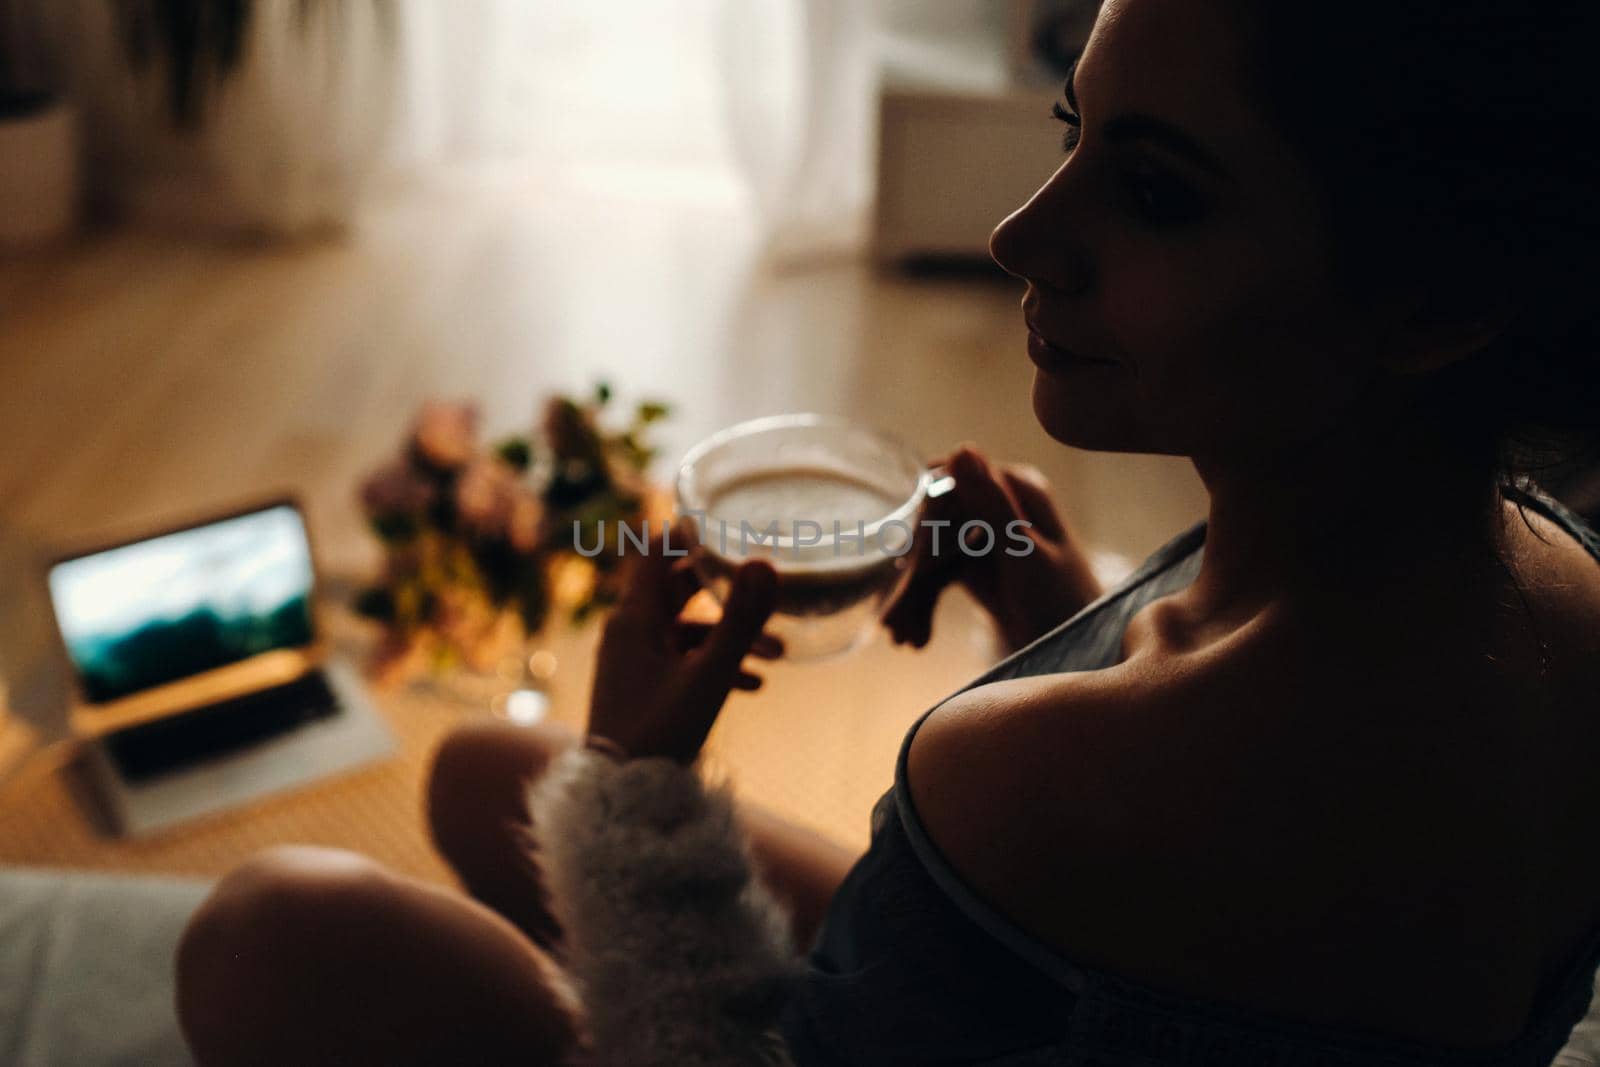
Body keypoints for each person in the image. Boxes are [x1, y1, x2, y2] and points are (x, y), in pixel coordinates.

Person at [174, 0, 1600, 1062]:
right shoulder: (1560, 590)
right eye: (1072, 135)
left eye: (1158, 190)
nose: (1019, 237)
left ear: (1428, 305)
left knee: (272, 931)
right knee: (485, 769)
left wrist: (630, 792)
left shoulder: (1029, 776)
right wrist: (1068, 619)